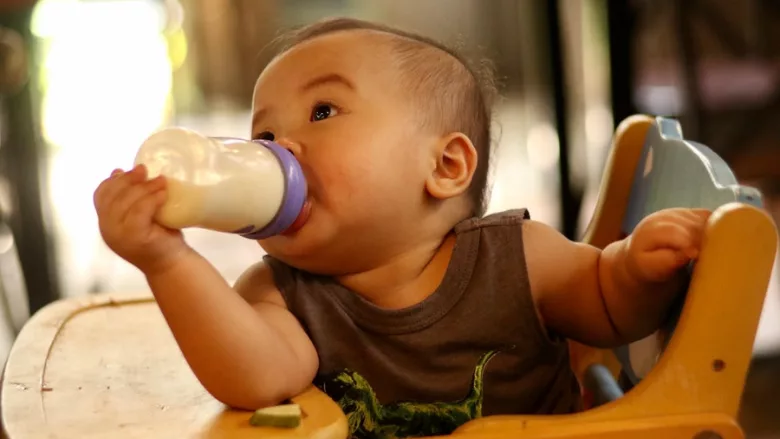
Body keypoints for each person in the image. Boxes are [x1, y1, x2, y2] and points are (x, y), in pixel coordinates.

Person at [93, 17, 710, 439]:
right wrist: (167, 261)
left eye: (323, 111)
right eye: (264, 135)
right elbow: (256, 378)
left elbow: (607, 309)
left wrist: (633, 268)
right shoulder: (279, 291)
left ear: (444, 166)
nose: (279, 149)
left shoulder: (517, 257)